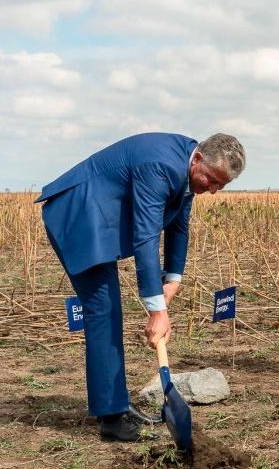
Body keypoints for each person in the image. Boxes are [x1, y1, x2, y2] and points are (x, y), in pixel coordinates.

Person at [37, 132, 245, 441]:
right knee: (103, 310)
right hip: (79, 214)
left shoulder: (190, 168)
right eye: (211, 180)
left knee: (108, 310)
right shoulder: (160, 166)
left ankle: (117, 405)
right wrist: (156, 311)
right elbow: (146, 236)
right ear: (199, 159)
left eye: (221, 185)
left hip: (101, 215)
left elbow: (179, 226)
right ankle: (111, 417)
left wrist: (172, 281)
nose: (212, 190)